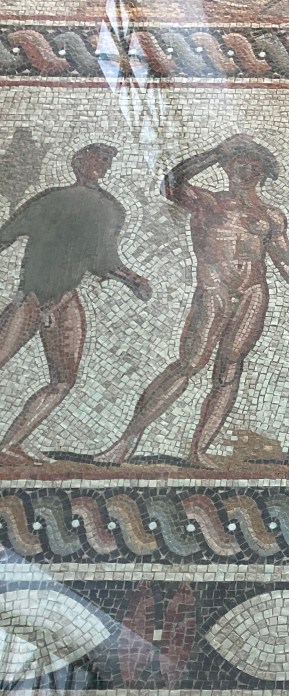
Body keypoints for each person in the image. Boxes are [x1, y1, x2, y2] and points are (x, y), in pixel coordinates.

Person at [97, 135, 289, 469]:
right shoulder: (208, 202)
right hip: (214, 289)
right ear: (226, 166)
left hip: (253, 294)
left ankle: (199, 449)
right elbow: (170, 185)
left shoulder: (271, 216)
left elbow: (285, 261)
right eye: (238, 162)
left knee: (230, 368)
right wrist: (214, 152)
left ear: (263, 171)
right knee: (190, 362)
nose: (246, 170)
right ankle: (127, 441)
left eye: (254, 165)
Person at [0, 143, 151, 466]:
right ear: (77, 161)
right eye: (96, 157)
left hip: (64, 300)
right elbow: (7, 235)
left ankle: (10, 445)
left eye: (106, 160)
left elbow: (104, 261)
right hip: (30, 297)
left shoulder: (111, 209)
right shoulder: (50, 199)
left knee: (63, 379)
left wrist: (132, 278)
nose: (101, 164)